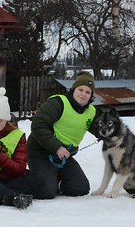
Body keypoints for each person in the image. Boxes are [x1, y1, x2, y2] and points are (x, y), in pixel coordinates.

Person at [27, 71, 97, 199]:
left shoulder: (91, 111)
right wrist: (57, 147)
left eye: (88, 92)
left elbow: (99, 128)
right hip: (41, 153)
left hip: (64, 157)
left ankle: (55, 182)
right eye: (80, 89)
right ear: (74, 89)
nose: (83, 94)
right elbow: (38, 125)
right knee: (47, 192)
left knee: (81, 188)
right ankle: (30, 178)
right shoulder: (58, 102)